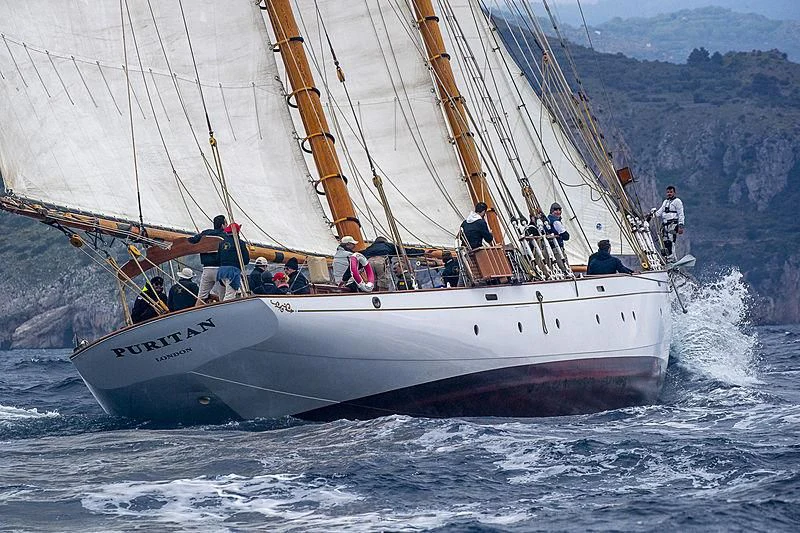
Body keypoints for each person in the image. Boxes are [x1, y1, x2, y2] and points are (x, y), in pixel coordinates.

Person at [188, 214, 226, 303]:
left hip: (207, 269)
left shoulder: (205, 234)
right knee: (223, 297)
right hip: (220, 270)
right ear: (222, 225)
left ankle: (197, 309)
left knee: (201, 297)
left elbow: (191, 241)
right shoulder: (225, 236)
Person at [647, 185, 685, 261]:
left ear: (674, 193)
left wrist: (681, 226)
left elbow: (681, 214)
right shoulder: (665, 202)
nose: (669, 193)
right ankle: (667, 258)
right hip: (665, 224)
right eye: (668, 192)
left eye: (671, 192)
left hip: (673, 224)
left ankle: (673, 259)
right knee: (664, 241)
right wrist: (650, 216)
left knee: (671, 241)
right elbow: (659, 212)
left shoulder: (677, 201)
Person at [216, 222, 250, 300]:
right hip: (232, 273)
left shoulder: (222, 243)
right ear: (237, 232)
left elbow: (218, 259)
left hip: (221, 272)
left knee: (240, 293)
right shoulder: (240, 243)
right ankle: (225, 308)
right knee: (230, 295)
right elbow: (246, 260)